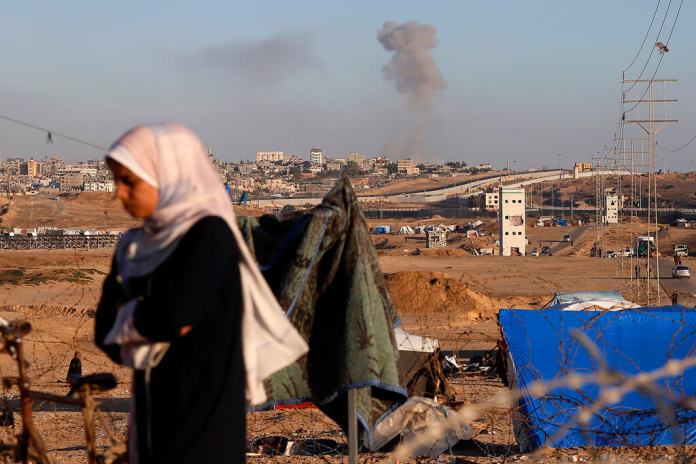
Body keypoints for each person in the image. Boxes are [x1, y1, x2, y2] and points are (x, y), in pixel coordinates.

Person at [95, 124, 307, 464]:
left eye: (129, 181)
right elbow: (105, 334)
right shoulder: (133, 248)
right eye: (116, 181)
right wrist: (151, 319)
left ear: (169, 178)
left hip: (203, 415)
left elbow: (174, 315)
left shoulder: (209, 236)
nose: (118, 193)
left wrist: (133, 316)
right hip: (150, 414)